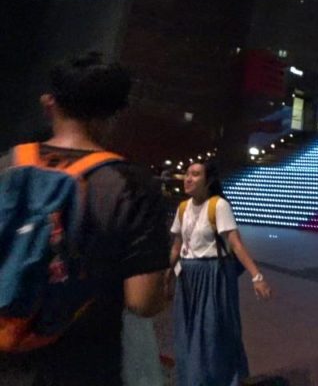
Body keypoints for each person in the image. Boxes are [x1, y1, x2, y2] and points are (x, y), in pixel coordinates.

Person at [0, 52, 168, 386]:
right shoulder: (129, 185)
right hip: (82, 366)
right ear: (113, 114)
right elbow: (142, 301)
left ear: (50, 103)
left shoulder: (7, 167)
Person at [168, 160, 272, 386]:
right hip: (188, 277)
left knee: (213, 333)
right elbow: (177, 246)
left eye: (195, 175)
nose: (188, 179)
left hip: (213, 276)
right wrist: (166, 278)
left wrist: (257, 276)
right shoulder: (183, 208)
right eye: (187, 174)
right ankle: (193, 380)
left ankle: (223, 380)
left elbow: (235, 243)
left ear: (208, 181)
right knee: (187, 333)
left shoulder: (219, 205)